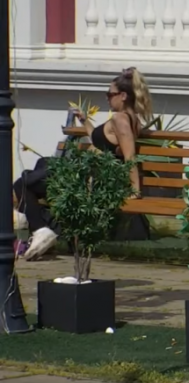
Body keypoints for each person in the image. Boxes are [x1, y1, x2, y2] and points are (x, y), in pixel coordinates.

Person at [14, 67, 153, 261]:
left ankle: (40, 228)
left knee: (22, 183)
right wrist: (84, 120)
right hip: (92, 173)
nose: (107, 98)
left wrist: (135, 191)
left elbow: (129, 156)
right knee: (42, 163)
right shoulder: (130, 119)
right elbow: (102, 140)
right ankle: (39, 224)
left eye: (110, 94)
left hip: (91, 180)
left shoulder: (120, 120)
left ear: (123, 96)